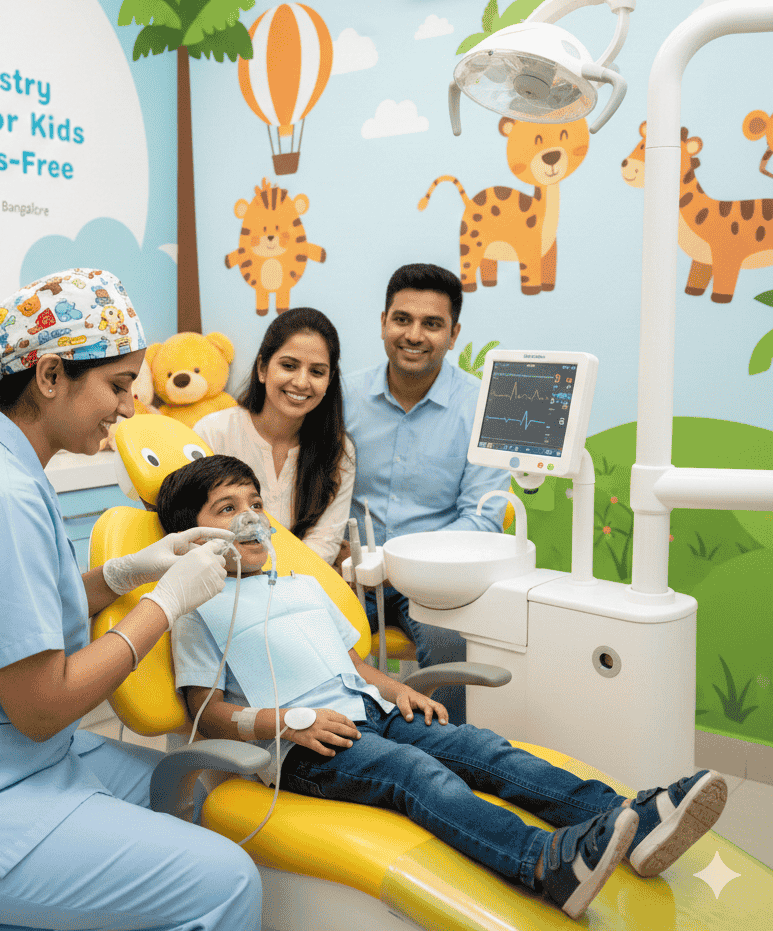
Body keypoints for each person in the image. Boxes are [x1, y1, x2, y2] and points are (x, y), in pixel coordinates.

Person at [0, 269, 262, 931]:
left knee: (195, 792)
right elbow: (43, 707)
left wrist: (128, 573)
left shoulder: (4, 463)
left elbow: (23, 612)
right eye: (117, 385)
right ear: (49, 375)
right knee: (226, 881)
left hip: (3, 757)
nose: (130, 407)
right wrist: (165, 604)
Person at [161, 454, 728, 921]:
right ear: (193, 535)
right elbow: (206, 712)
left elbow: (353, 665)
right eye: (228, 508)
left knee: (484, 749)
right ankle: (543, 862)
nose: (250, 518)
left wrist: (398, 690)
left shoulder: (300, 585)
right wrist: (285, 723)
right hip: (309, 747)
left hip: (373, 711)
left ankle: (631, 817)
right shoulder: (197, 608)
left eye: (255, 503)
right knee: (416, 773)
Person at [342, 263, 512, 724]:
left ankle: (449, 749)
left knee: (452, 645)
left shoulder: (483, 408)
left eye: (432, 324)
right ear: (383, 323)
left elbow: (483, 519)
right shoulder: (342, 397)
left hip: (434, 580)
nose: (414, 335)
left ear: (453, 335)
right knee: (304, 631)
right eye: (402, 319)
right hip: (349, 569)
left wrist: (401, 564)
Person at [193, 307, 354, 566]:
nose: (301, 382)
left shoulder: (339, 450)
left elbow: (324, 543)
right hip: (223, 578)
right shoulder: (212, 433)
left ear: (329, 380)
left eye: (317, 372)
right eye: (289, 366)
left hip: (303, 580)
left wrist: (281, 578)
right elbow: (195, 530)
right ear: (262, 368)